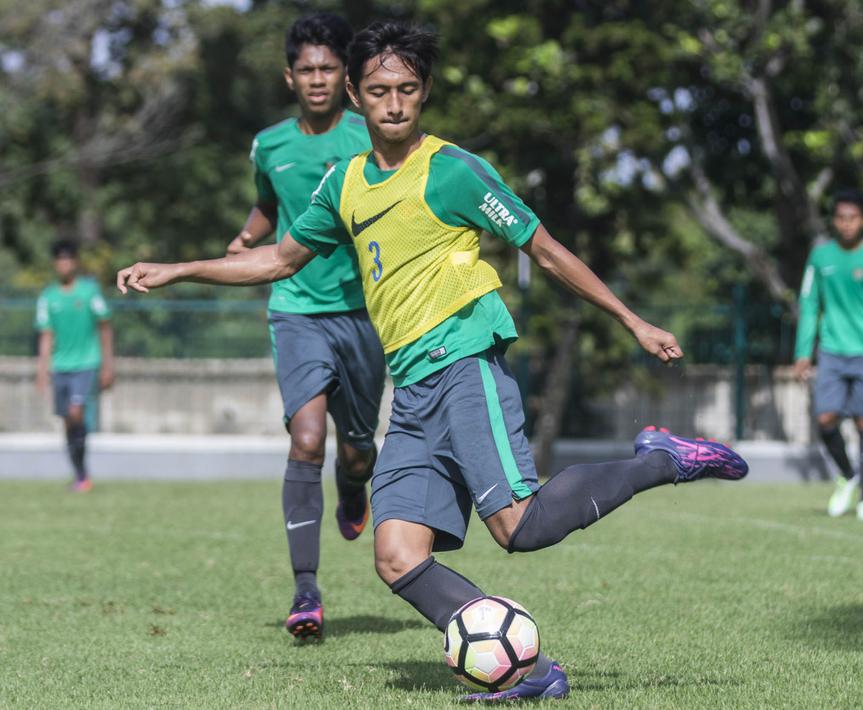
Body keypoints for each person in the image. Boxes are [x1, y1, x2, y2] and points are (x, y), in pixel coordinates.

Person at [117, 20, 748, 701]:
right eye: (381, 91)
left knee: (521, 528)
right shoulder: (345, 182)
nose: (394, 105)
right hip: (412, 391)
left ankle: (660, 458)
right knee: (395, 556)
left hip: (464, 367)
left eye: (408, 90)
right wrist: (178, 267)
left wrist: (632, 320)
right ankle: (528, 669)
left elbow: (544, 248)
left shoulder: (451, 171)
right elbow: (277, 258)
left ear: (423, 94)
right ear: (356, 96)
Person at [230, 13, 386, 641]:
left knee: (355, 451)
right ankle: (306, 590)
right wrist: (244, 240)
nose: (317, 79)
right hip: (294, 306)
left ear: (344, 75)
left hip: (363, 312)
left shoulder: (368, 135)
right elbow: (270, 205)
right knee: (306, 438)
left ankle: (354, 489)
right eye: (307, 70)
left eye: (328, 69)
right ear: (289, 76)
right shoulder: (269, 145)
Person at [792, 189, 863, 521]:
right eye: (840, 218)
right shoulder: (820, 257)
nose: (846, 224)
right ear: (834, 221)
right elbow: (809, 304)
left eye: (853, 217)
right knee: (825, 419)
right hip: (831, 352)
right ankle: (848, 474)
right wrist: (803, 353)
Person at [36, 240, 114, 492]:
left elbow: (104, 327)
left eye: (68, 259)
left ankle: (82, 476)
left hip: (86, 363)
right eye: (60, 259)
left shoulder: (89, 292)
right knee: (68, 421)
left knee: (76, 411)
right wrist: (42, 370)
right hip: (60, 366)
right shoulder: (48, 297)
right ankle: (81, 473)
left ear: (75, 262)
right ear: (54, 264)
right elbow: (46, 336)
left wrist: (108, 366)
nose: (64, 264)